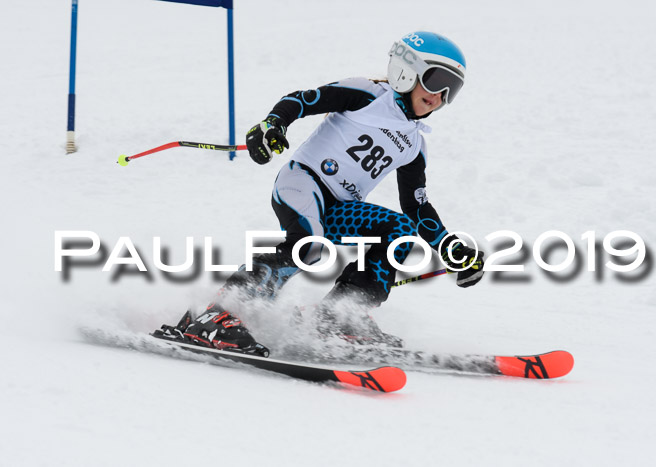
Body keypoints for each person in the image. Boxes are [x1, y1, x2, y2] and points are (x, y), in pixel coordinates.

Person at [166, 31, 485, 355]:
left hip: (341, 208)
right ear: (407, 70)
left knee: (400, 232)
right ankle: (218, 315)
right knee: (310, 246)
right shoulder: (369, 94)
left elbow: (416, 206)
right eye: (436, 81)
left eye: (451, 90)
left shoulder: (415, 145)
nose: (440, 95)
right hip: (303, 183)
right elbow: (302, 100)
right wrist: (273, 124)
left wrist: (450, 248)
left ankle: (340, 317)